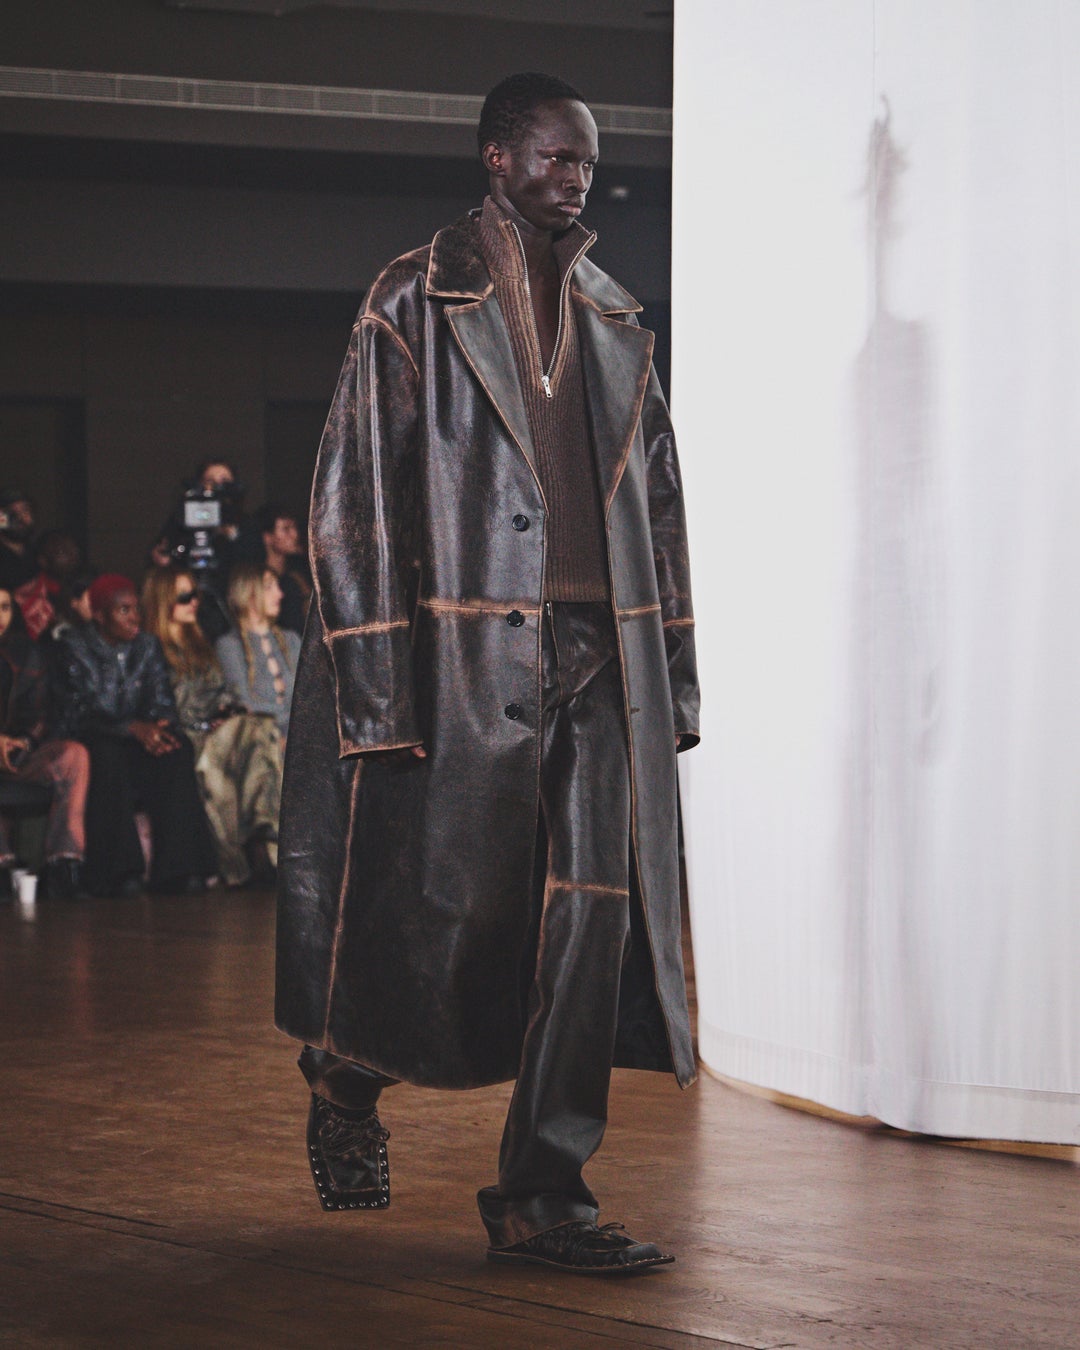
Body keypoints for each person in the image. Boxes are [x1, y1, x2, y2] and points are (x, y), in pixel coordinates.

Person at [275, 73, 699, 1276]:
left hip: (599, 661)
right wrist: (375, 689)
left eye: (588, 161)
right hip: (459, 658)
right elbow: (353, 501)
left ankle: (542, 1199)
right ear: (497, 157)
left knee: (587, 930)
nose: (577, 175)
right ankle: (345, 1073)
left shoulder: (614, 316)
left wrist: (672, 674)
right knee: (446, 924)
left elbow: (662, 511)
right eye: (557, 154)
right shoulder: (414, 297)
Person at [52, 573, 217, 897]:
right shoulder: (74, 646)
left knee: (176, 748)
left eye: (136, 609)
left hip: (138, 739)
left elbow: (162, 700)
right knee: (108, 755)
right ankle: (120, 872)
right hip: (97, 738)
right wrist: (129, 727)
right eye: (123, 610)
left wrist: (158, 727)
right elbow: (78, 713)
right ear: (100, 615)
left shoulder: (147, 645)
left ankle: (180, 870)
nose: (134, 618)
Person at [142, 565, 283, 888]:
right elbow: (167, 705)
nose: (194, 602)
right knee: (233, 755)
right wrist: (209, 717)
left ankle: (261, 841)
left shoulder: (200, 643)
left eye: (195, 595)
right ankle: (255, 852)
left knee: (260, 728)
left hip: (217, 733)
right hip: (188, 736)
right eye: (184, 596)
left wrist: (226, 709)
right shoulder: (152, 648)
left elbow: (222, 691)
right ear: (163, 601)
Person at [0, 585, 90, 900]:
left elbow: (39, 716)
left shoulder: (24, 652)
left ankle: (64, 863)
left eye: (4, 607)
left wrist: (21, 742)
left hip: (16, 753)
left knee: (73, 755)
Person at [215, 564, 301, 740]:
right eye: (269, 587)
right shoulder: (230, 646)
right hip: (262, 740)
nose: (280, 594)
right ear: (248, 594)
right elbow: (244, 704)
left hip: (299, 735)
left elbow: (309, 694)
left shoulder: (291, 639)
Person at [252, 504, 311, 637]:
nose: (294, 535)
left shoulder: (300, 573)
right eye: (285, 529)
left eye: (294, 528)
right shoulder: (255, 578)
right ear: (268, 537)